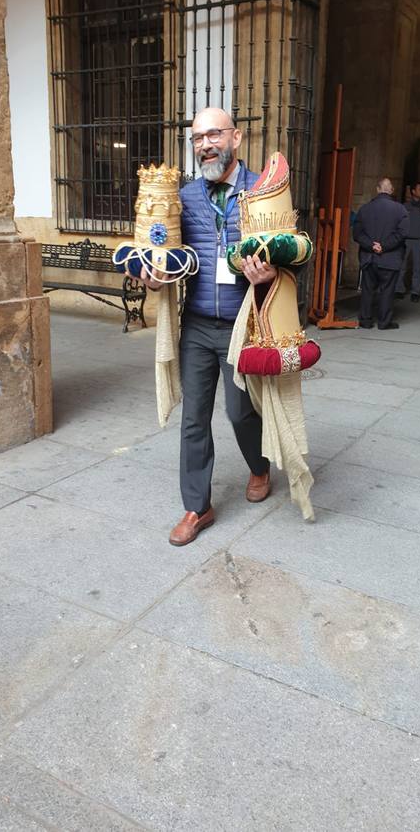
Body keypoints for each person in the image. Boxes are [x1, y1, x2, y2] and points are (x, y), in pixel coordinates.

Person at [137, 107, 276, 545]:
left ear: (235, 138)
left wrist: (270, 275)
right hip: (197, 323)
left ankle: (258, 465)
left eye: (213, 135)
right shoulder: (184, 196)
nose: (205, 145)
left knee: (240, 412)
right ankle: (198, 507)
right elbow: (165, 249)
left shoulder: (263, 189)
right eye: (197, 139)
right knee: (194, 419)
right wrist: (155, 272)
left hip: (242, 323)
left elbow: (290, 252)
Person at [353, 177, 409, 330]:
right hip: (390, 259)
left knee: (367, 290)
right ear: (391, 191)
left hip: (369, 257)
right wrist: (383, 246)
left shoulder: (364, 209)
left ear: (377, 189)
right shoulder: (400, 210)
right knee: (387, 291)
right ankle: (384, 322)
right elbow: (402, 233)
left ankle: (365, 321)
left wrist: (372, 246)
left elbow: (357, 234)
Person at [395, 181, 420, 302]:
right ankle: (399, 289)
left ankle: (415, 292)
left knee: (418, 267)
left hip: (419, 241)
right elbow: (399, 224)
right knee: (401, 266)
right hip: (405, 240)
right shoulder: (404, 206)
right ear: (413, 191)